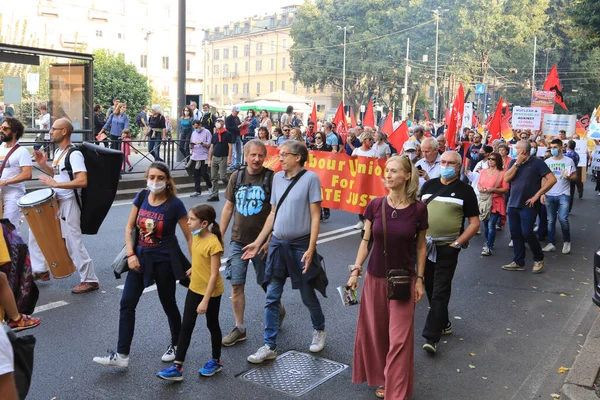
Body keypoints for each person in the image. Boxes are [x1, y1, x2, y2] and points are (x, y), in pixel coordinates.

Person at [93, 162, 192, 368]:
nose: (155, 181)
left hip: (164, 260)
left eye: (160, 178)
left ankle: (177, 344)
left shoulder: (174, 204)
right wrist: (130, 254)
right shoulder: (141, 196)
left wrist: (197, 265)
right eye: (152, 177)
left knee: (168, 304)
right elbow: (130, 227)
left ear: (167, 181)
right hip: (139, 258)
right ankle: (122, 356)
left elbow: (189, 237)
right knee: (127, 304)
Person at [349, 155, 427, 400]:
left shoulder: (418, 209)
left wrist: (420, 279)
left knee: (399, 341)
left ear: (406, 176)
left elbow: (421, 247)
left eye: (394, 171)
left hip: (403, 281)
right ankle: (385, 378)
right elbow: (366, 241)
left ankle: (397, 392)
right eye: (387, 171)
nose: (388, 175)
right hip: (374, 279)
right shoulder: (375, 205)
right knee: (378, 335)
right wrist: (355, 270)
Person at [243, 140, 326, 364]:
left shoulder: (311, 179)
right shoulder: (277, 179)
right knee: (272, 296)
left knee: (307, 294)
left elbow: (316, 215)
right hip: (279, 244)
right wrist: (259, 242)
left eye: (284, 154)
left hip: (301, 245)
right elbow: (272, 214)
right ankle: (269, 345)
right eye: (279, 154)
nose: (279, 158)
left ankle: (319, 329)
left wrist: (311, 247)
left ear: (297, 157)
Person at [219, 140, 285, 347]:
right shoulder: (236, 177)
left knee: (265, 283)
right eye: (252, 155)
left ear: (265, 157)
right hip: (238, 241)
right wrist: (219, 235)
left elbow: (277, 213)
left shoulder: (271, 178)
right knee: (236, 285)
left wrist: (268, 240)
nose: (256, 159)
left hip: (262, 243)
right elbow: (228, 208)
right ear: (245, 155)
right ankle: (240, 328)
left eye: (260, 155)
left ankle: (278, 309)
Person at [28, 119, 100, 293]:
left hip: (69, 202)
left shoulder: (74, 154)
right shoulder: (60, 152)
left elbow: (82, 180)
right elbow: (60, 175)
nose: (50, 132)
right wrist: (43, 165)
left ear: (65, 131)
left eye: (54, 129)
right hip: (57, 201)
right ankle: (41, 270)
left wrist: (56, 185)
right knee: (36, 231)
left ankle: (90, 279)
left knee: (72, 241)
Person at [419, 151, 480, 354]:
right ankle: (443, 322)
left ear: (458, 166)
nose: (446, 165)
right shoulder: (429, 186)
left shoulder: (465, 191)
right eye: (443, 161)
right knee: (428, 285)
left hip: (448, 248)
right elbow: (418, 212)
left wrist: (458, 243)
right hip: (425, 247)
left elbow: (474, 223)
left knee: (440, 290)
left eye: (451, 163)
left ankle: (431, 337)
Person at [157, 204, 224, 381]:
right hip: (195, 288)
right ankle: (177, 367)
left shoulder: (213, 243)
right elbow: (200, 259)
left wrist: (205, 301)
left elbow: (214, 274)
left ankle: (216, 361)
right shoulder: (195, 237)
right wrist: (194, 268)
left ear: (204, 223)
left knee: (212, 324)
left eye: (192, 219)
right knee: (186, 327)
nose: (188, 222)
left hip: (211, 292)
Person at [502, 140, 557, 273]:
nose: (515, 150)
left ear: (523, 151)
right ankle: (518, 261)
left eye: (517, 149)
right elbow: (506, 178)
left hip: (529, 204)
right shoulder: (513, 162)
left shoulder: (538, 163)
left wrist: (538, 194)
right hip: (513, 203)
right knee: (515, 234)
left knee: (527, 232)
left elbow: (552, 179)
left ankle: (539, 258)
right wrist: (517, 163)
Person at [542, 139, 576, 254]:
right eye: (551, 147)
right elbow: (544, 178)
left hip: (563, 194)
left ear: (561, 148)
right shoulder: (547, 162)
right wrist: (542, 193)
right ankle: (551, 243)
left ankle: (567, 241)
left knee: (563, 219)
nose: (553, 150)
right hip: (549, 194)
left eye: (555, 147)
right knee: (550, 220)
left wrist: (569, 178)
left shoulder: (569, 161)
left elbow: (575, 176)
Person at [0, 118, 33, 228]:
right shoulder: (0, 148)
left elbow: (27, 174)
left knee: (9, 228)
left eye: (5, 128)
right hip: (1, 193)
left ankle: (14, 246)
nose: (1, 130)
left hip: (13, 194)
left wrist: (5, 182)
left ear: (15, 132)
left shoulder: (22, 151)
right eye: (1, 127)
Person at [478, 152, 509, 256]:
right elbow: (478, 183)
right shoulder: (483, 171)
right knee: (486, 225)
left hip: (496, 202)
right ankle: (488, 241)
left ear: (498, 161)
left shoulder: (502, 173)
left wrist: (494, 189)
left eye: (493, 159)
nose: (490, 161)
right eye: (489, 159)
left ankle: (489, 246)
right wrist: (480, 188)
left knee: (491, 225)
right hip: (484, 201)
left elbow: (505, 189)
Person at [207, 117, 233, 202]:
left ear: (223, 123)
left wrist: (229, 158)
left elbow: (230, 147)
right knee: (213, 177)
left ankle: (232, 190)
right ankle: (215, 195)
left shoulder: (227, 134)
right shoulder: (215, 134)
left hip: (223, 157)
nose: (218, 122)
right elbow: (211, 147)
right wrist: (209, 159)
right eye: (217, 121)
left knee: (223, 176)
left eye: (220, 121)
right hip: (215, 157)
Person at [189, 120, 212, 198]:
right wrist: (192, 145)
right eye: (194, 127)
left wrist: (202, 143)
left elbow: (209, 144)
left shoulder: (207, 132)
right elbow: (191, 142)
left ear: (200, 125)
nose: (196, 128)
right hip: (195, 155)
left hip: (204, 155)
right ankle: (197, 190)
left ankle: (210, 187)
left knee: (204, 173)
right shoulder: (194, 133)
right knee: (196, 174)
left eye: (197, 127)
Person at [565, 140, 584, 209]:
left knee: (567, 190)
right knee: (571, 191)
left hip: (568, 173)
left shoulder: (568, 155)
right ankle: (569, 207)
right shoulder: (576, 154)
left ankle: (566, 207)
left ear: (568, 146)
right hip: (574, 172)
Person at [226, 106, 245, 170]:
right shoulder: (228, 118)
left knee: (239, 150)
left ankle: (238, 163)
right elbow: (228, 128)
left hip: (238, 135)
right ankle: (232, 164)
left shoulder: (237, 118)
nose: (237, 113)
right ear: (233, 111)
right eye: (236, 112)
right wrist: (238, 126)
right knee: (233, 151)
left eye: (238, 112)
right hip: (232, 136)